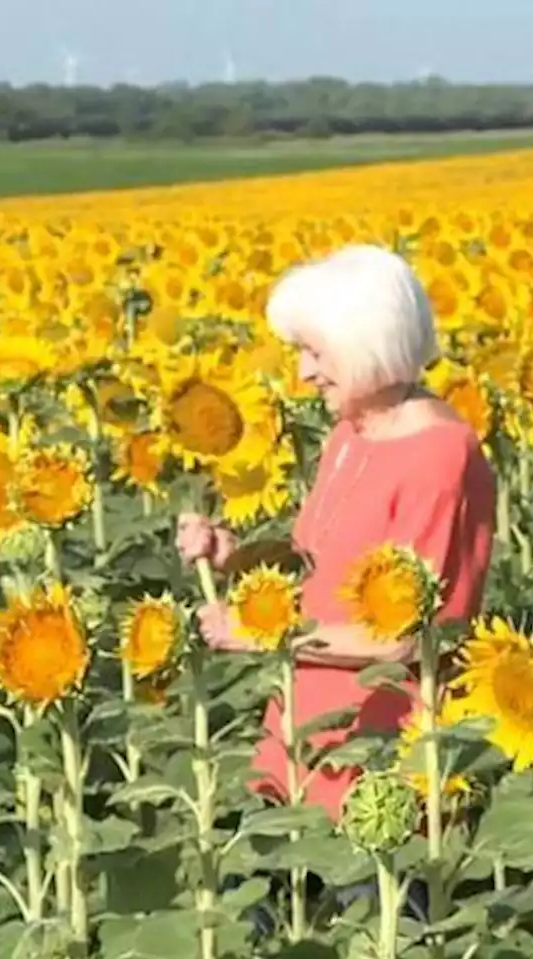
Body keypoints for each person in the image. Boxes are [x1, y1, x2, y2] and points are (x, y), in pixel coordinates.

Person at [178, 243, 496, 875]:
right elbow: (319, 574)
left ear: (369, 346)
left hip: (382, 757)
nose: (302, 373)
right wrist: (233, 558)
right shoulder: (350, 432)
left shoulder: (439, 455)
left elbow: (403, 638)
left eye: (316, 353)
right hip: (300, 742)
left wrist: (262, 635)